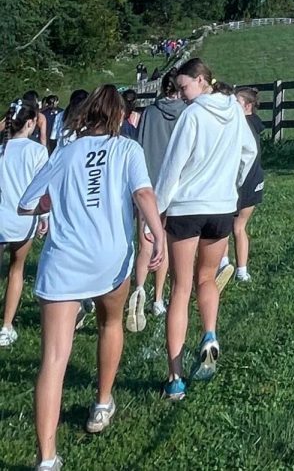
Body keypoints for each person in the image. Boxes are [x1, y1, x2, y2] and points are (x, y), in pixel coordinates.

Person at [18, 85, 165, 469]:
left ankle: (46, 458)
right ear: (118, 117)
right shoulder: (127, 149)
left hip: (63, 263)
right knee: (109, 322)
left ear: (85, 116)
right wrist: (157, 233)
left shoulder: (64, 153)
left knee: (53, 359)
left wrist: (47, 204)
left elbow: (26, 203)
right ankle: (102, 402)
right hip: (109, 259)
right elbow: (145, 195)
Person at [155, 58, 257, 401]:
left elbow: (173, 166)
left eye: (184, 87)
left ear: (202, 81)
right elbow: (250, 151)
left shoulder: (193, 115)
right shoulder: (233, 110)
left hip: (186, 209)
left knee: (180, 288)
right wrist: (234, 184)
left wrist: (155, 212)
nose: (182, 95)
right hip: (221, 208)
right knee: (207, 279)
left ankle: (175, 378)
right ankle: (210, 334)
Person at [126, 69, 183, 331]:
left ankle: (138, 291)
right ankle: (159, 299)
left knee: (145, 243)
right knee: (165, 245)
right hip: (174, 187)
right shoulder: (187, 113)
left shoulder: (148, 113)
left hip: (147, 185)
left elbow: (139, 145)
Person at [0, 99, 49, 347]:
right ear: (30, 123)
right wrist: (44, 217)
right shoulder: (37, 152)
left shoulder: (2, 148)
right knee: (16, 270)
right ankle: (6, 325)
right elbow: (41, 189)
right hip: (22, 220)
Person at [228, 87, 265, 283]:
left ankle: (227, 265)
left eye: (237, 103)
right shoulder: (256, 125)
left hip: (243, 181)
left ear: (248, 106)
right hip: (255, 179)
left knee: (233, 226)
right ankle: (241, 270)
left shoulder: (241, 126)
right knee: (238, 227)